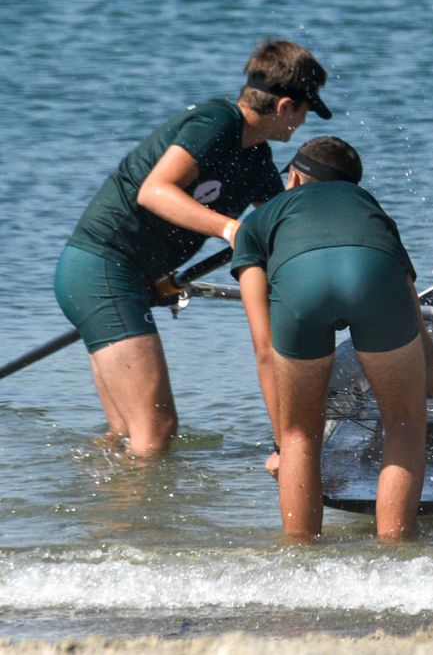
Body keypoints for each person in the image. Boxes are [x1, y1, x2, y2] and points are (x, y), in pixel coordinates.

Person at [231, 136, 433, 542]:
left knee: (301, 433)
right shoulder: (370, 209)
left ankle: (298, 556)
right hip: (372, 271)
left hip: (300, 284)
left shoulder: (256, 224)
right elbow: (426, 351)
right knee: (403, 420)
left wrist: (281, 446)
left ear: (294, 178)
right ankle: (396, 553)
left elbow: (264, 350)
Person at [54, 39, 331, 456]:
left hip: (123, 280)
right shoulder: (216, 122)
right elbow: (154, 191)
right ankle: (143, 524)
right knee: (157, 433)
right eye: (306, 111)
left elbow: (282, 230)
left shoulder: (256, 160)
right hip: (101, 271)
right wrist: (231, 229)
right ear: (285, 106)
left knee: (124, 438)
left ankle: (98, 515)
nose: (303, 124)